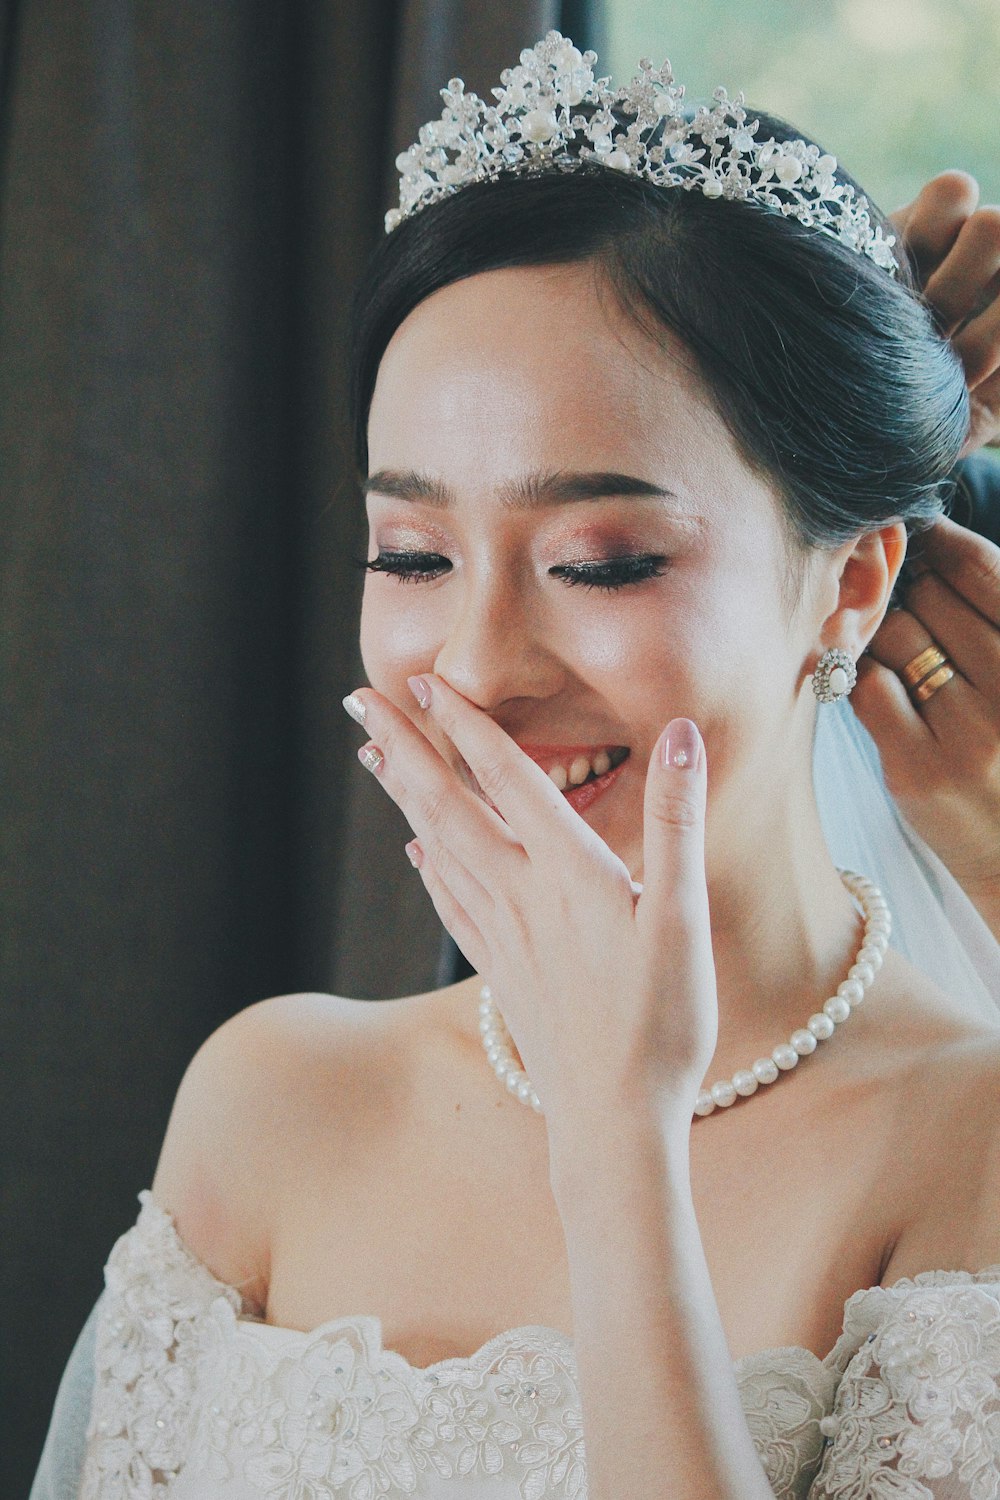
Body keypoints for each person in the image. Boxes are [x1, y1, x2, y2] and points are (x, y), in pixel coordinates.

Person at [30, 31, 1000, 1500]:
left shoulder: (965, 1145)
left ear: (851, 585)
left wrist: (622, 1147)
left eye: (601, 561)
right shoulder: (271, 1098)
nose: (475, 669)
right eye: (412, 553)